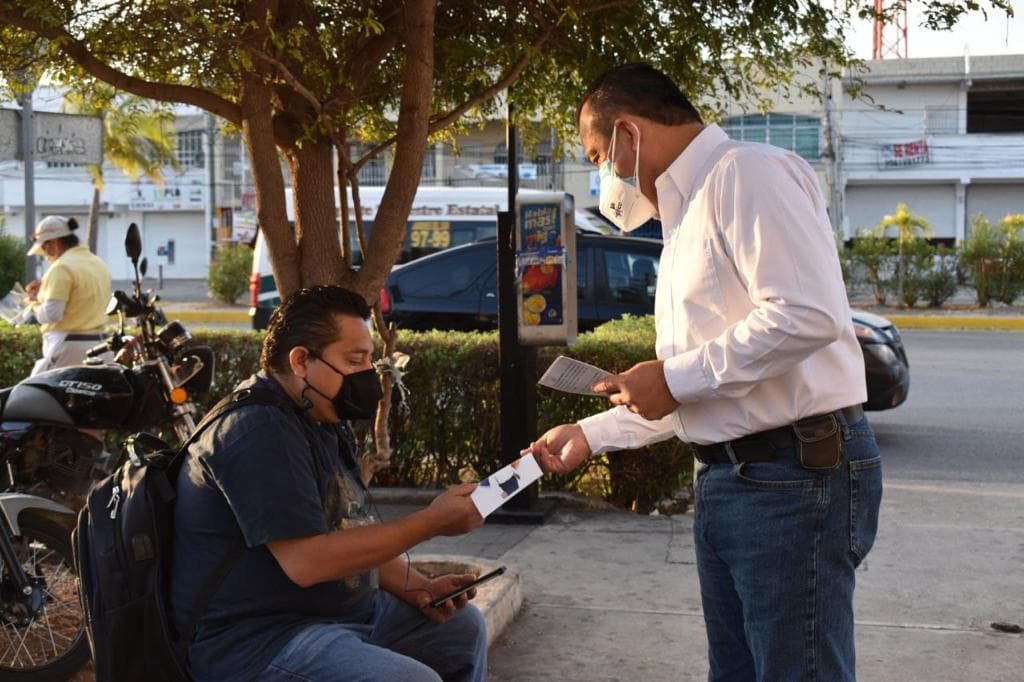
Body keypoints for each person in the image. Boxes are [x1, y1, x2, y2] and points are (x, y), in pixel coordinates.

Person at [528, 63, 882, 682]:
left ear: (628, 135)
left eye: (596, 155)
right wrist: (593, 435)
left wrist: (674, 378)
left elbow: (808, 314)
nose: (603, 176)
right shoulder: (686, 215)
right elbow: (707, 391)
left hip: (792, 479)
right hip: (734, 479)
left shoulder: (746, 173)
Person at [171, 285, 488, 682]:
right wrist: (431, 522)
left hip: (335, 615)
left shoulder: (317, 415)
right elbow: (308, 561)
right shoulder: (256, 430)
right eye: (355, 360)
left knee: (461, 629)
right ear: (301, 360)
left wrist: (419, 588)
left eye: (370, 359)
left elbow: (347, 532)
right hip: (258, 640)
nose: (367, 374)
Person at [25, 215, 112, 375]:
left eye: (44, 248)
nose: (46, 255)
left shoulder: (61, 268)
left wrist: (34, 305)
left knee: (35, 395)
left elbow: (52, 314)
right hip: (101, 345)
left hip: (69, 346)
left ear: (53, 243)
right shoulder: (97, 263)